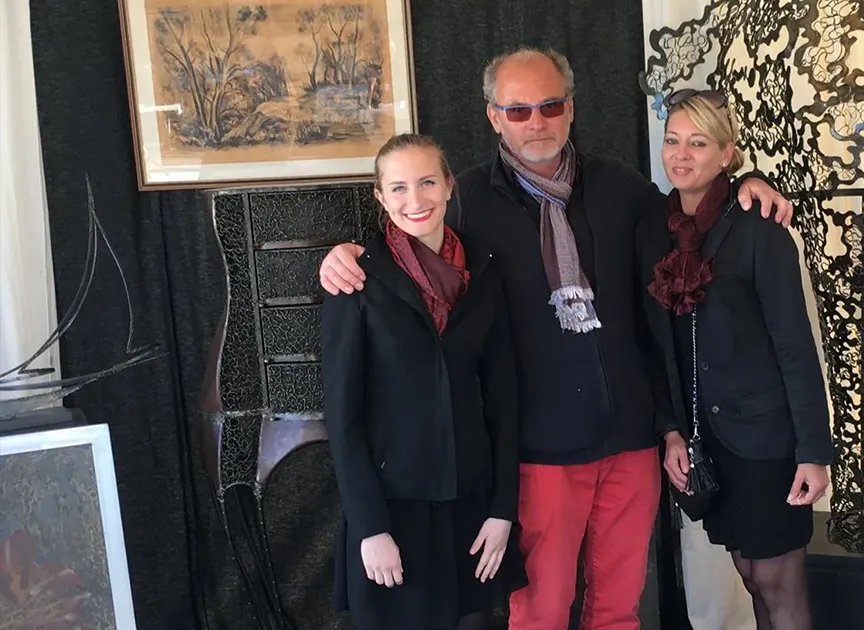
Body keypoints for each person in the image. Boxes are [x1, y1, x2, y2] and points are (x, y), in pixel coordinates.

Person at [318, 47, 793, 630]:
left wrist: (750, 181)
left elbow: (692, 214)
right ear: (493, 117)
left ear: (571, 108)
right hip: (538, 448)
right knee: (541, 612)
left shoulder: (619, 185)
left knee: (618, 610)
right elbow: (410, 240)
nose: (536, 121)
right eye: (518, 110)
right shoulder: (465, 199)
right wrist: (346, 254)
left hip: (630, 437)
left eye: (549, 105)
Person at [321, 133, 526, 630]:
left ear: (450, 185)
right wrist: (370, 527)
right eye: (399, 188)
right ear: (380, 196)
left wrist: (503, 510)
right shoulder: (357, 281)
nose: (416, 200)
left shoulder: (484, 269)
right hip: (394, 510)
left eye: (428, 182)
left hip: (471, 504)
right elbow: (342, 419)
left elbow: (503, 399)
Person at [646, 89, 834, 630]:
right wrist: (673, 430)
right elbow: (665, 345)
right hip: (710, 441)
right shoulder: (658, 229)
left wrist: (813, 452)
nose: (681, 155)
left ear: (727, 153)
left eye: (698, 143)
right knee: (751, 576)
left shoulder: (758, 229)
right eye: (673, 140)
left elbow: (795, 345)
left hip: (767, 441)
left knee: (778, 583)